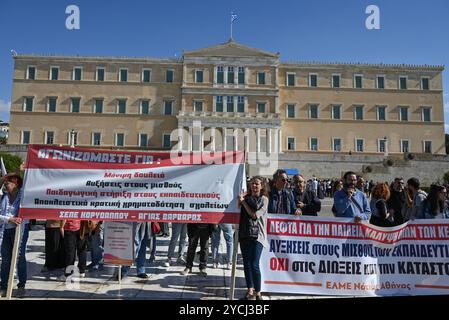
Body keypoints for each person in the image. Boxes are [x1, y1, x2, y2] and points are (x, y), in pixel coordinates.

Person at [238, 176, 269, 301]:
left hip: (258, 235)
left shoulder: (264, 199)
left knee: (254, 264)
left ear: (262, 186)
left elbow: (254, 215)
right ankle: (249, 290)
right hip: (245, 234)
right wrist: (242, 197)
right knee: (246, 264)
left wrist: (244, 202)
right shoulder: (246, 198)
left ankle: (258, 293)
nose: (254, 186)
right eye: (252, 184)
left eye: (256, 184)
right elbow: (237, 205)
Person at [0, 174, 29, 298]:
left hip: (20, 230)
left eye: (9, 183)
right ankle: (4, 286)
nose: (6, 185)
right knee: (5, 259)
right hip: (5, 230)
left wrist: (23, 170)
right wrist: (10, 219)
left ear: (16, 184)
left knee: (19, 257)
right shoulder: (3, 197)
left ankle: (21, 286)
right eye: (5, 183)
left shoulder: (23, 196)